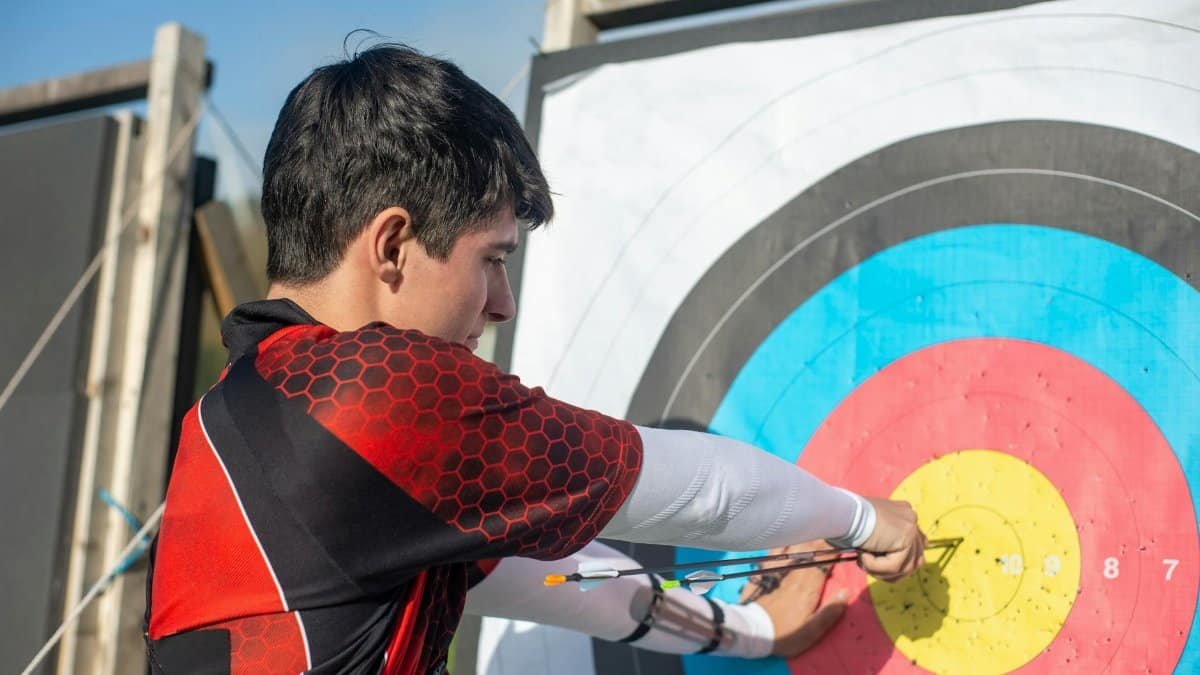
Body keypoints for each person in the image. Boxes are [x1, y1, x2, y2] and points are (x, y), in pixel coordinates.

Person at [144, 43, 925, 675]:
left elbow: (565, 581)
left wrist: (749, 629)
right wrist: (861, 518)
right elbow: (699, 490)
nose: (502, 303)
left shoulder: (230, 420)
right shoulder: (377, 396)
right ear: (391, 245)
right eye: (491, 258)